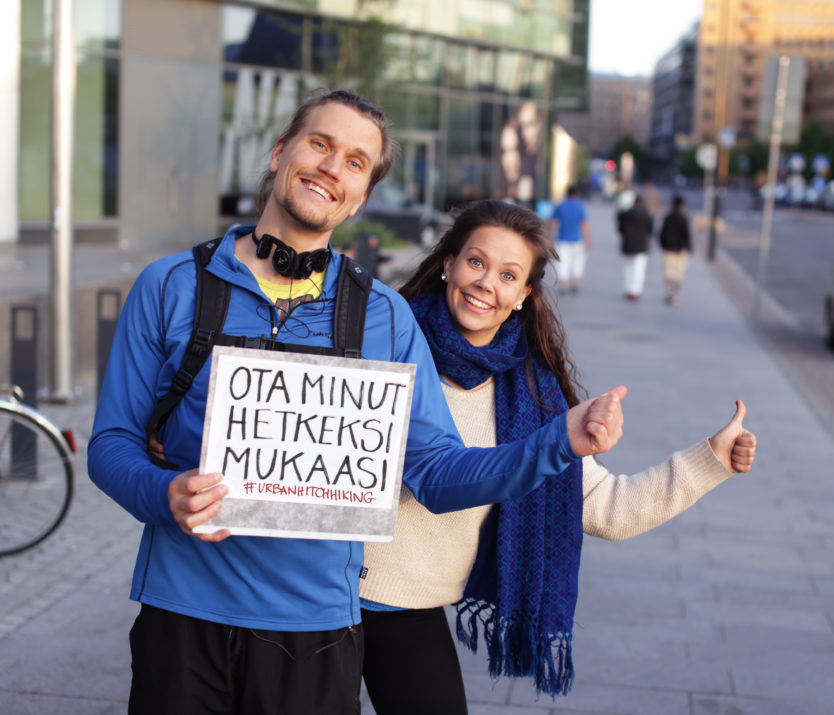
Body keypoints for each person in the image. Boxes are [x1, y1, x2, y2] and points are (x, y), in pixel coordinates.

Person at [87, 88, 627, 715]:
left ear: (362, 193)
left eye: (354, 161)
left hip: (314, 633)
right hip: (180, 614)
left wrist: (557, 441)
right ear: (279, 151)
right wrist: (164, 493)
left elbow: (434, 472)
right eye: (320, 144)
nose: (330, 167)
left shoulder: (385, 319)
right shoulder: (171, 286)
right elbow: (111, 444)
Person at [359, 200, 757, 714]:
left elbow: (607, 507)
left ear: (524, 295)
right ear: (449, 263)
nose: (486, 283)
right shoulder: (384, 339)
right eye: (476, 263)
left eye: (508, 274)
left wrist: (711, 460)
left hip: (409, 608)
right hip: (322, 593)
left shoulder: (534, 394)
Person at [549, 185, 591, 294]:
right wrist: (588, 240)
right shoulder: (580, 206)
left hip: (562, 239)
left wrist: (551, 238)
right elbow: (584, 224)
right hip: (578, 240)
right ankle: (575, 282)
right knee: (578, 261)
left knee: (562, 262)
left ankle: (563, 284)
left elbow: (553, 223)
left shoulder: (560, 206)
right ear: (577, 194)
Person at [617, 194, 653, 301]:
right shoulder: (646, 215)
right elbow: (650, 231)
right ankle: (636, 290)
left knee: (627, 268)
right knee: (639, 269)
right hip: (641, 246)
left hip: (628, 245)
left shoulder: (626, 214)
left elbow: (620, 229)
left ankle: (628, 288)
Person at [659, 194, 693, 305]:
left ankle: (669, 292)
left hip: (669, 249)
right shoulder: (684, 218)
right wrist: (688, 248)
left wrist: (664, 246)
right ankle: (676, 294)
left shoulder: (668, 217)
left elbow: (662, 233)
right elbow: (687, 235)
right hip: (680, 251)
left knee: (669, 272)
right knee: (678, 274)